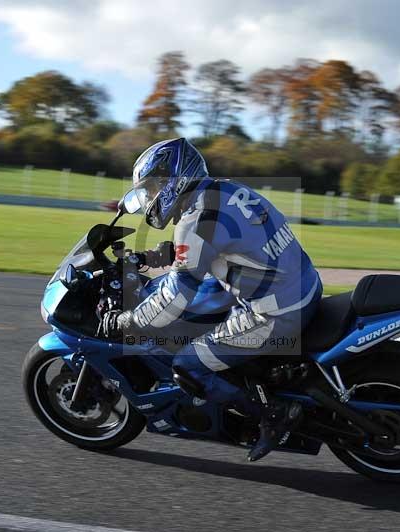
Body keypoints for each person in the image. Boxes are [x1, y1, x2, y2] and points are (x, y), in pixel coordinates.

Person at [99, 137, 322, 461]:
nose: (150, 199)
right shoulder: (226, 191)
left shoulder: (195, 220)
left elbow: (176, 297)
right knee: (208, 312)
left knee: (188, 365)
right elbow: (229, 245)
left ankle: (274, 415)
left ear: (171, 180)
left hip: (277, 312)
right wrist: (163, 256)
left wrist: (128, 322)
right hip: (303, 286)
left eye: (151, 190)